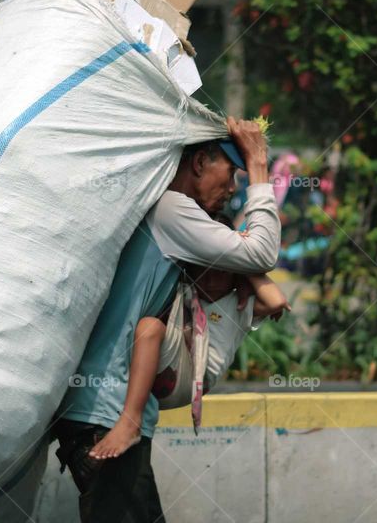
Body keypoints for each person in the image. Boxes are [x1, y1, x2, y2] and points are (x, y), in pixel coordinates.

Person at [52, 117, 280, 523]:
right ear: (198, 164)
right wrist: (260, 167)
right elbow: (262, 252)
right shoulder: (173, 210)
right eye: (231, 174)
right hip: (108, 412)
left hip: (101, 410)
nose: (232, 190)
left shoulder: (160, 209)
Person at [88, 217, 289, 460]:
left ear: (235, 273)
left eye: (223, 271)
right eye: (204, 269)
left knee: (149, 328)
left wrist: (246, 264)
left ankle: (131, 421)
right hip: (164, 370)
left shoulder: (238, 304)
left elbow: (277, 301)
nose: (212, 280)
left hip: (191, 380)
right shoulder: (185, 289)